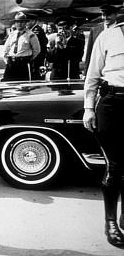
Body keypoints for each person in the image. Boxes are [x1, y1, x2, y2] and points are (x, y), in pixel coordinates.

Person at [83, 19, 124, 247]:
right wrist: (89, 108)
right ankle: (110, 223)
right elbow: (92, 75)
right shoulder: (108, 35)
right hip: (112, 104)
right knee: (116, 165)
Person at [84, 4, 122, 75]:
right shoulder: (95, 30)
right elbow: (89, 53)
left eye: (109, 15)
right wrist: (86, 73)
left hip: (114, 72)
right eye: (103, 15)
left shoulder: (121, 30)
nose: (106, 17)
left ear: (116, 15)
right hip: (98, 72)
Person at [2, 12, 40, 81]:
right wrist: (6, 60)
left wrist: (28, 59)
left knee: (23, 85)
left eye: (22, 22)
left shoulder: (31, 35)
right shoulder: (12, 34)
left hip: (23, 64)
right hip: (11, 63)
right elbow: (6, 47)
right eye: (17, 22)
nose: (19, 24)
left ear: (25, 23)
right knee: (8, 84)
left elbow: (36, 50)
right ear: (15, 23)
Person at [26, 15, 48, 80]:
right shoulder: (31, 30)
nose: (26, 23)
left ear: (33, 21)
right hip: (36, 57)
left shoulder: (37, 31)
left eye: (28, 21)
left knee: (36, 75)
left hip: (38, 57)